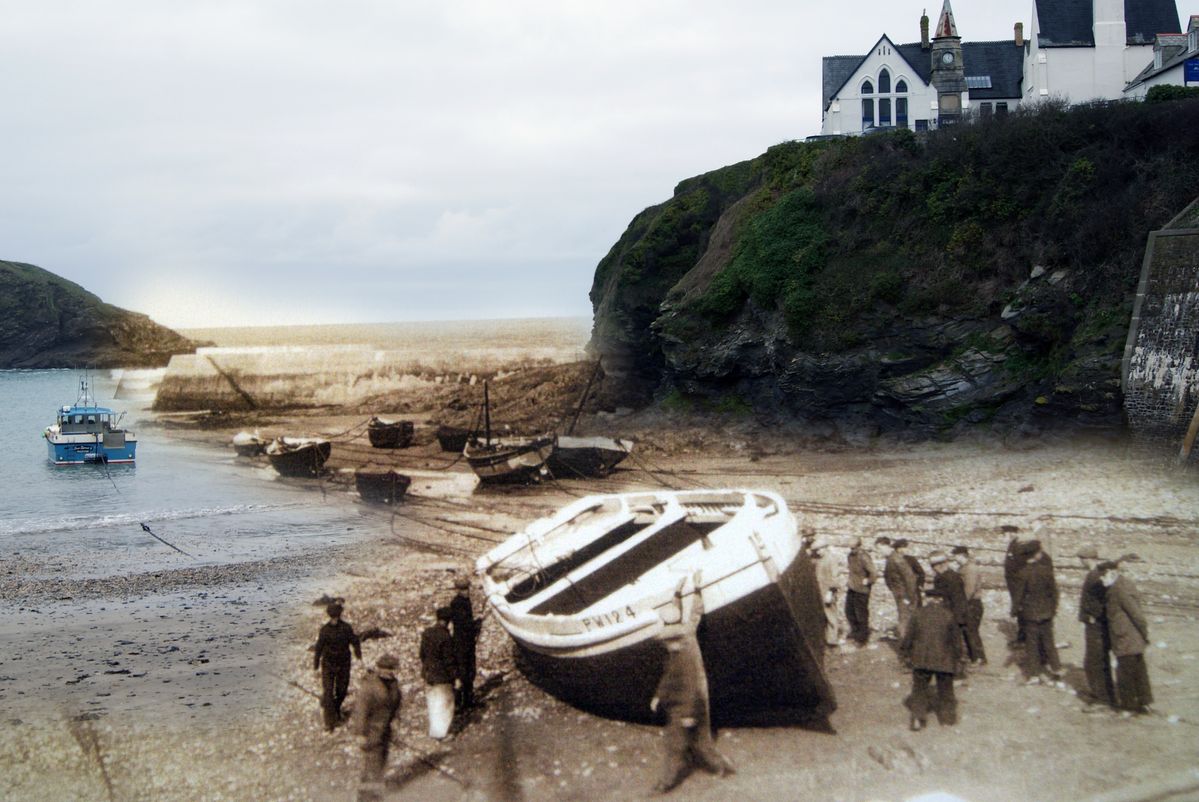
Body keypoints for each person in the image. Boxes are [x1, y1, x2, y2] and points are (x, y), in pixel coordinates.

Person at [650, 601, 733, 794]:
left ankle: (666, 783)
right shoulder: (673, 655)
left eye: (670, 640)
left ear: (677, 639)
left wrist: (688, 713)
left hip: (686, 708)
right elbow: (668, 678)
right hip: (683, 707)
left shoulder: (685, 657)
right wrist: (658, 696)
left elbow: (690, 686)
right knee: (701, 744)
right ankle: (722, 766)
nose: (667, 644)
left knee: (675, 746)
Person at [899, 586, 962, 730]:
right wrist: (958, 658)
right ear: (940, 600)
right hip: (944, 661)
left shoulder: (917, 614)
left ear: (928, 599)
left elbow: (908, 638)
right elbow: (956, 642)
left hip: (922, 660)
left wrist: (905, 654)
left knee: (919, 690)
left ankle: (917, 719)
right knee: (946, 691)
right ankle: (946, 721)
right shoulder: (949, 615)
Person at [1103, 562, 1153, 714]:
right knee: (1139, 670)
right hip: (1133, 636)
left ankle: (1128, 707)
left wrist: (1144, 633)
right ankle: (1144, 703)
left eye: (1103, 576)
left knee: (1125, 672)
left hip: (1125, 637)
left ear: (1111, 573)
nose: (1101, 580)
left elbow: (1136, 614)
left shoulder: (1117, 589)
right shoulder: (1124, 584)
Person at [1011, 540, 1061, 684]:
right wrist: (1053, 608)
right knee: (1049, 642)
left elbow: (1018, 595)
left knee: (1032, 644)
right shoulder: (1046, 570)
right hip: (1046, 613)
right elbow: (1054, 592)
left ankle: (1034, 674)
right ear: (1036, 554)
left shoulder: (1022, 573)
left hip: (1030, 614)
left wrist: (1015, 611)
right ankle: (1056, 669)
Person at [312, 601, 362, 732]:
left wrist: (358, 655)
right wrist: (316, 665)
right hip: (328, 665)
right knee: (328, 692)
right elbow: (319, 648)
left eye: (336, 617)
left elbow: (355, 641)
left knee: (342, 691)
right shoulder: (324, 630)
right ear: (330, 616)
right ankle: (329, 723)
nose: (334, 620)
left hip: (344, 664)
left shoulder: (346, 628)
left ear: (339, 616)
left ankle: (336, 708)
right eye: (332, 617)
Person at [1077, 546, 1114, 706]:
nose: (1080, 562)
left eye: (1081, 559)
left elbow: (1102, 601)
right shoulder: (1098, 574)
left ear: (1087, 559)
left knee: (1094, 662)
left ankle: (1102, 698)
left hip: (1095, 626)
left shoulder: (1095, 577)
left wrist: (1093, 616)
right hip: (1096, 624)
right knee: (1098, 660)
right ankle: (1102, 693)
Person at [420, 605, 458, 739]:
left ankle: (434, 731)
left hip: (429, 674)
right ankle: (442, 734)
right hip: (442, 676)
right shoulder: (446, 638)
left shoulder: (427, 633)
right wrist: (456, 677)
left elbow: (422, 654)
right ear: (448, 621)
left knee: (433, 704)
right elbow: (449, 661)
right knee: (445, 704)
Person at [449, 576, 480, 710]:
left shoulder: (465, 601)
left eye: (467, 589)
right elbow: (463, 625)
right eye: (463, 589)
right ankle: (460, 703)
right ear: (457, 590)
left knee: (470, 670)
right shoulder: (457, 603)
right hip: (461, 643)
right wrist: (476, 624)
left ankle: (468, 700)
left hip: (467, 642)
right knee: (463, 672)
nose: (466, 591)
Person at [953, 546, 987, 665]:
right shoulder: (963, 568)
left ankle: (979, 658)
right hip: (969, 603)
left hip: (972, 604)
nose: (955, 558)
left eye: (956, 556)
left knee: (971, 631)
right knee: (968, 631)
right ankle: (974, 657)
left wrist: (961, 604)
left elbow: (969, 589)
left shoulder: (970, 569)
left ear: (962, 556)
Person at [882, 537, 918, 639]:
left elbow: (908, 579)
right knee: (905, 620)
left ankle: (906, 647)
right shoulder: (895, 559)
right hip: (903, 594)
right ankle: (907, 647)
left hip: (902, 595)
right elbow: (908, 579)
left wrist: (904, 595)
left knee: (904, 620)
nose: (906, 550)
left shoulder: (894, 559)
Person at [845, 536, 879, 647]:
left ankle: (862, 638)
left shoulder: (864, 557)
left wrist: (868, 581)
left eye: (854, 548)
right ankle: (855, 632)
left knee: (861, 614)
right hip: (852, 587)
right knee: (849, 611)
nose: (852, 550)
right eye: (851, 548)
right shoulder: (850, 556)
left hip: (862, 590)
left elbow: (874, 573)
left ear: (859, 546)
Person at [810, 537, 843, 648]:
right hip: (821, 590)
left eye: (820, 549)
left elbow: (835, 578)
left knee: (831, 614)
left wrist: (830, 592)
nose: (818, 552)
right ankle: (829, 638)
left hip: (828, 592)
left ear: (825, 548)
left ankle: (833, 641)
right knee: (826, 614)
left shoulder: (831, 559)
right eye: (817, 550)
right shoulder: (821, 559)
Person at [1004, 533, 1026, 645]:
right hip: (1013, 584)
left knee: (1020, 609)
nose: (1003, 536)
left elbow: (1018, 567)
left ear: (1010, 534)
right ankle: (1022, 636)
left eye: (1004, 534)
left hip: (1016, 584)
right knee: (1019, 609)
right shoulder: (1012, 545)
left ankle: (1022, 637)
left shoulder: (1016, 546)